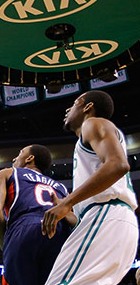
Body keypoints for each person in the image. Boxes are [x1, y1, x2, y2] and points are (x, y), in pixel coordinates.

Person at [42, 90, 138, 285]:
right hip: (113, 220)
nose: (68, 109)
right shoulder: (88, 141)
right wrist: (68, 211)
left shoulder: (93, 123)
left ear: (87, 107)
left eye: (74, 103)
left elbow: (118, 165)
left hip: (107, 215)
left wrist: (67, 202)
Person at [0, 145, 76, 285]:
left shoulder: (8, 173)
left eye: (20, 153)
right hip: (59, 231)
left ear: (30, 158)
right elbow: (75, 221)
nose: (14, 158)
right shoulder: (62, 188)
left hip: (24, 227)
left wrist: (5, 244)